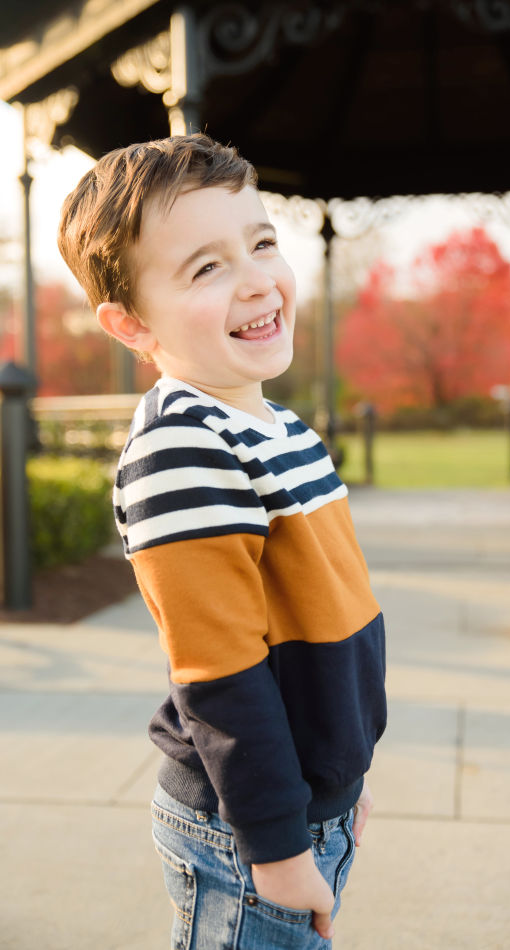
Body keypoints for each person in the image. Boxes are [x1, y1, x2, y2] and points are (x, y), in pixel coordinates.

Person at [57, 133, 387, 949]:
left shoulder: (277, 424)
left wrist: (343, 773)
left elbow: (323, 611)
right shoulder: (183, 446)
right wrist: (276, 844)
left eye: (262, 243)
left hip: (306, 801)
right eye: (207, 267)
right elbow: (222, 673)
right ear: (131, 323)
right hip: (244, 832)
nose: (257, 280)